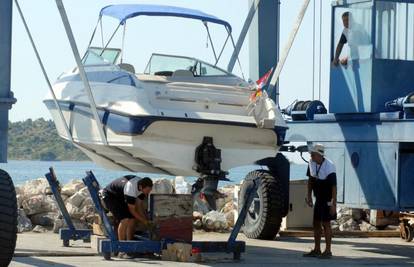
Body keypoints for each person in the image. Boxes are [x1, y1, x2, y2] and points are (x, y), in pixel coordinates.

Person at [303, 144, 337, 259]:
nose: (311, 156)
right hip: (318, 198)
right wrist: (309, 196)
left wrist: (333, 204)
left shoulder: (329, 166)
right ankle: (317, 249)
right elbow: (310, 180)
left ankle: (328, 251)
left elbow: (334, 187)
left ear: (320, 154)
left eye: (313, 154)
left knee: (326, 223)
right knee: (316, 223)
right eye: (311, 154)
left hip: (327, 198)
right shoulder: (311, 162)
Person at [102, 175, 153, 247]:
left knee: (133, 219)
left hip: (122, 195)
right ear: (141, 187)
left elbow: (139, 206)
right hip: (110, 195)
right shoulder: (131, 189)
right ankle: (121, 247)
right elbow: (132, 210)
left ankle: (129, 243)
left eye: (149, 191)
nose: (148, 193)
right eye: (147, 191)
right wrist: (144, 221)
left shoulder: (143, 189)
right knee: (125, 219)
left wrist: (145, 219)